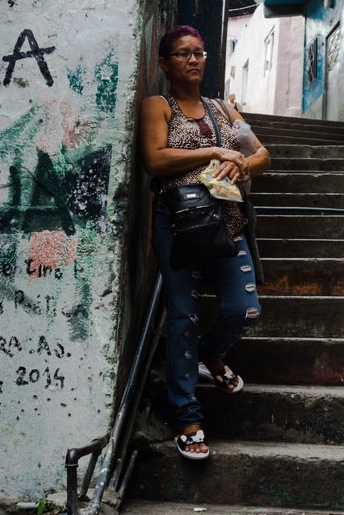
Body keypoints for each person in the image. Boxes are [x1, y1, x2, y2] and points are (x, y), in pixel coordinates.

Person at [139, 25, 270, 461]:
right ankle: (188, 418)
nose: (193, 59)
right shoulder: (159, 106)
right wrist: (216, 153)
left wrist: (243, 164)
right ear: (164, 63)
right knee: (182, 316)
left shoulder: (223, 109)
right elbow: (155, 159)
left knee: (244, 308)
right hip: (178, 226)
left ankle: (209, 354)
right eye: (182, 53)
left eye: (199, 52)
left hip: (228, 223)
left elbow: (262, 154)